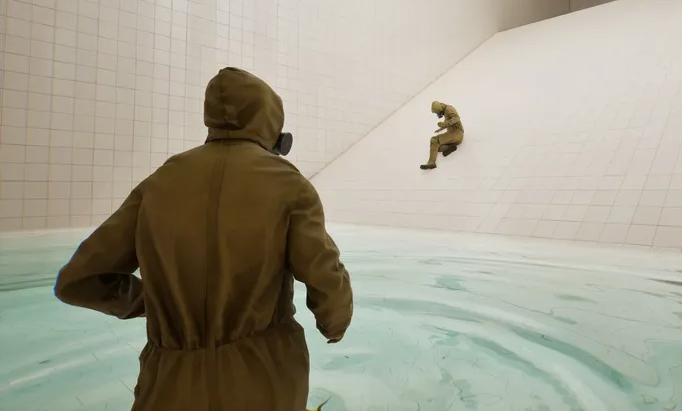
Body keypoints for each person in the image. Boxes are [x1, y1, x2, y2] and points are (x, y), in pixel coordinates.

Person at [54, 67, 353, 411]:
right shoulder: (290, 185)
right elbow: (324, 276)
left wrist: (154, 304)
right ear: (272, 127)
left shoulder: (159, 182)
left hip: (167, 385)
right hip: (264, 378)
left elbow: (77, 281)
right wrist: (334, 325)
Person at [420, 101, 464, 170]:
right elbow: (449, 123)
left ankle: (431, 163)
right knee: (436, 148)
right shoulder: (446, 111)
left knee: (434, 140)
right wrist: (440, 129)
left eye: (437, 112)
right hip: (454, 135)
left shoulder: (449, 108)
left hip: (457, 133)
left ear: (440, 108)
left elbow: (456, 118)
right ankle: (450, 147)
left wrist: (444, 124)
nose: (438, 114)